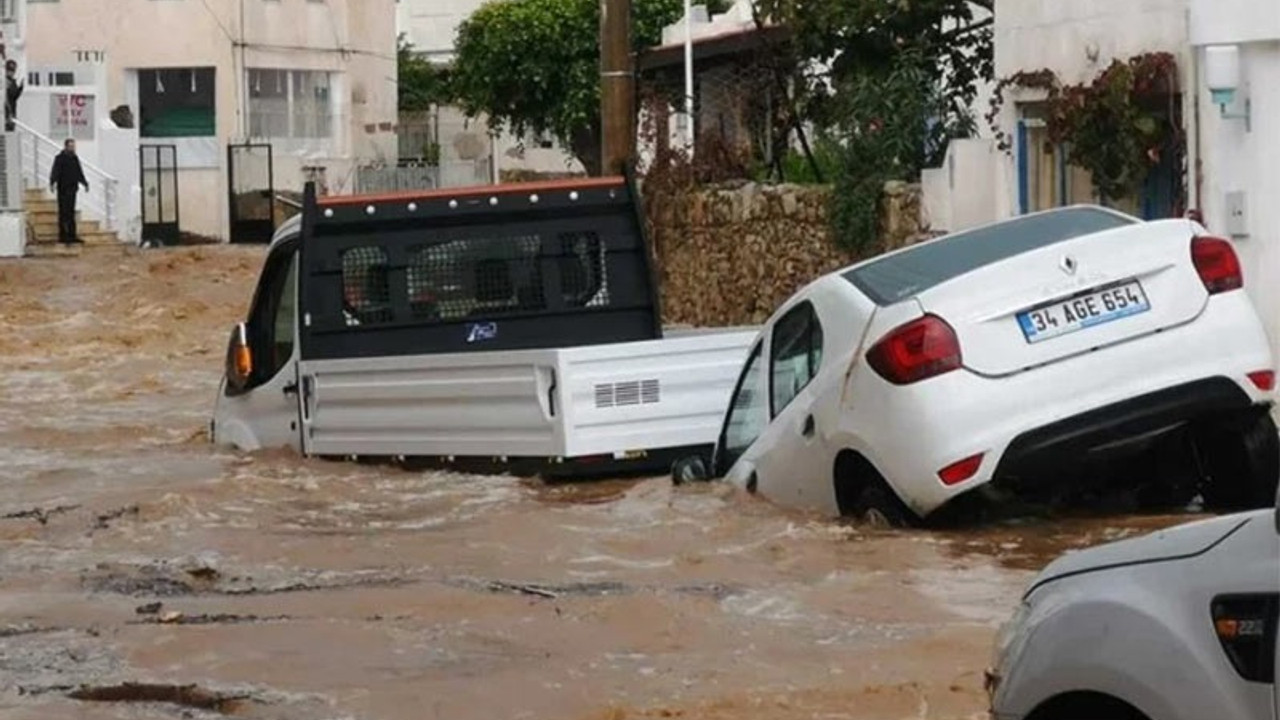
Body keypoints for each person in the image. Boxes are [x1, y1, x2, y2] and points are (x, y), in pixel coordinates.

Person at [49, 138, 89, 245]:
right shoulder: (59, 158)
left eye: (73, 146)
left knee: (71, 213)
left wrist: (84, 183)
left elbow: (79, 172)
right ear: (66, 146)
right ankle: (63, 236)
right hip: (63, 189)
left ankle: (72, 235)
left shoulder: (74, 158)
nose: (72, 148)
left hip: (72, 189)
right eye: (70, 146)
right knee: (63, 213)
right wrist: (52, 182)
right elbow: (55, 171)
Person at [4, 59, 22, 132]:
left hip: (12, 111)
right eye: (9, 70)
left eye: (13, 71)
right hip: (6, 113)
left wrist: (20, 88)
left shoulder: (13, 82)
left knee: (11, 132)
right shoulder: (4, 81)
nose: (11, 72)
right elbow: (6, 98)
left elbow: (14, 97)